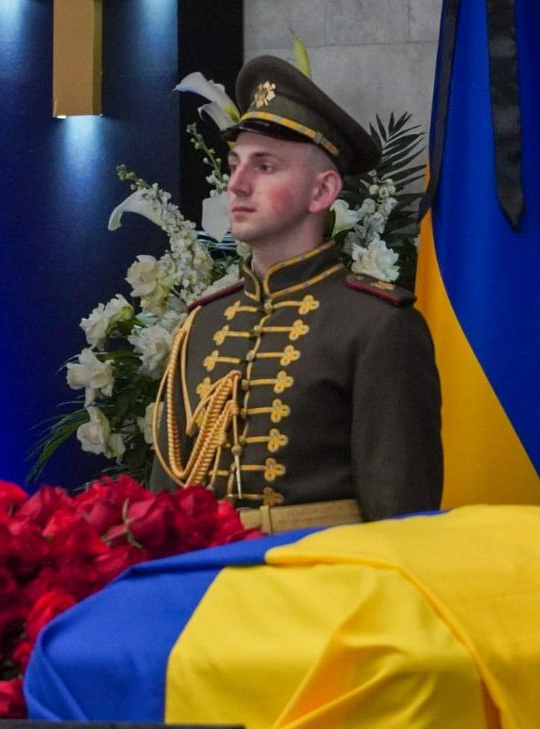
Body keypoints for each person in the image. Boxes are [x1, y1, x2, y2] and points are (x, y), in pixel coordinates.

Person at [150, 55, 442, 531]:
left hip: (325, 571)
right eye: (234, 165)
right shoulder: (202, 323)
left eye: (265, 166)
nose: (237, 184)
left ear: (322, 192)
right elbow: (163, 507)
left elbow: (402, 520)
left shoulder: (377, 325)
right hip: (207, 572)